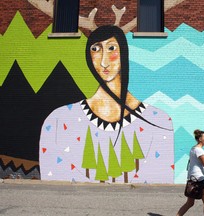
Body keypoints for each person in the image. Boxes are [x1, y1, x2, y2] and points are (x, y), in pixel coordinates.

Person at [39, 25, 174, 184]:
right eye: (96, 49)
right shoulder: (57, 121)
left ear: (123, 52)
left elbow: (159, 180)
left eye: (111, 48)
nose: (103, 62)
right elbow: (54, 180)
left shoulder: (159, 121)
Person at [177, 129, 204, 216]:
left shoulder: (193, 149)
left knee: (190, 203)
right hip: (199, 179)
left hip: (193, 178)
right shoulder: (199, 151)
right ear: (200, 139)